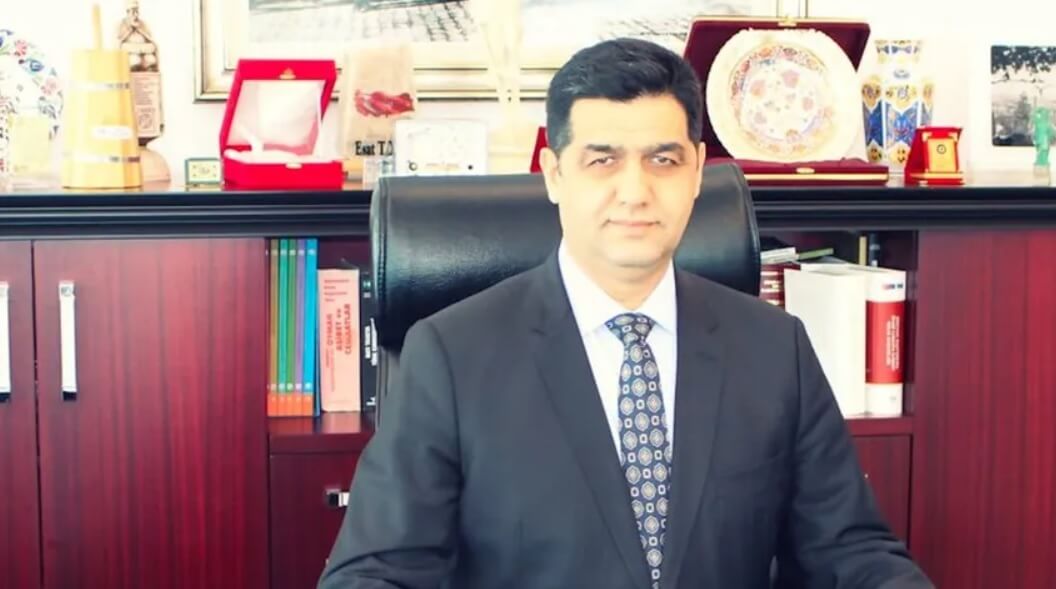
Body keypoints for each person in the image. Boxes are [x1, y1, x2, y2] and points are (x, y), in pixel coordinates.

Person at [318, 37, 934, 589]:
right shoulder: (453, 356)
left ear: (698, 172)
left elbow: (850, 552)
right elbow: (375, 572)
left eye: (663, 160)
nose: (635, 191)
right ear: (554, 174)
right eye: (602, 160)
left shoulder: (774, 349)